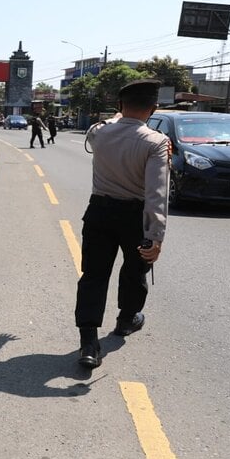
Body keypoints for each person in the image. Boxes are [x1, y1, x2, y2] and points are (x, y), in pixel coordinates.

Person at [74, 79, 169, 369]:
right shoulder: (156, 142)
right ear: (153, 109)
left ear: (119, 106)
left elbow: (107, 123)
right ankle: (127, 320)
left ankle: (89, 343)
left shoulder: (99, 134)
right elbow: (157, 193)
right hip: (135, 216)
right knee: (135, 269)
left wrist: (119, 115)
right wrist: (155, 236)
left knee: (93, 275)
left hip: (99, 212)